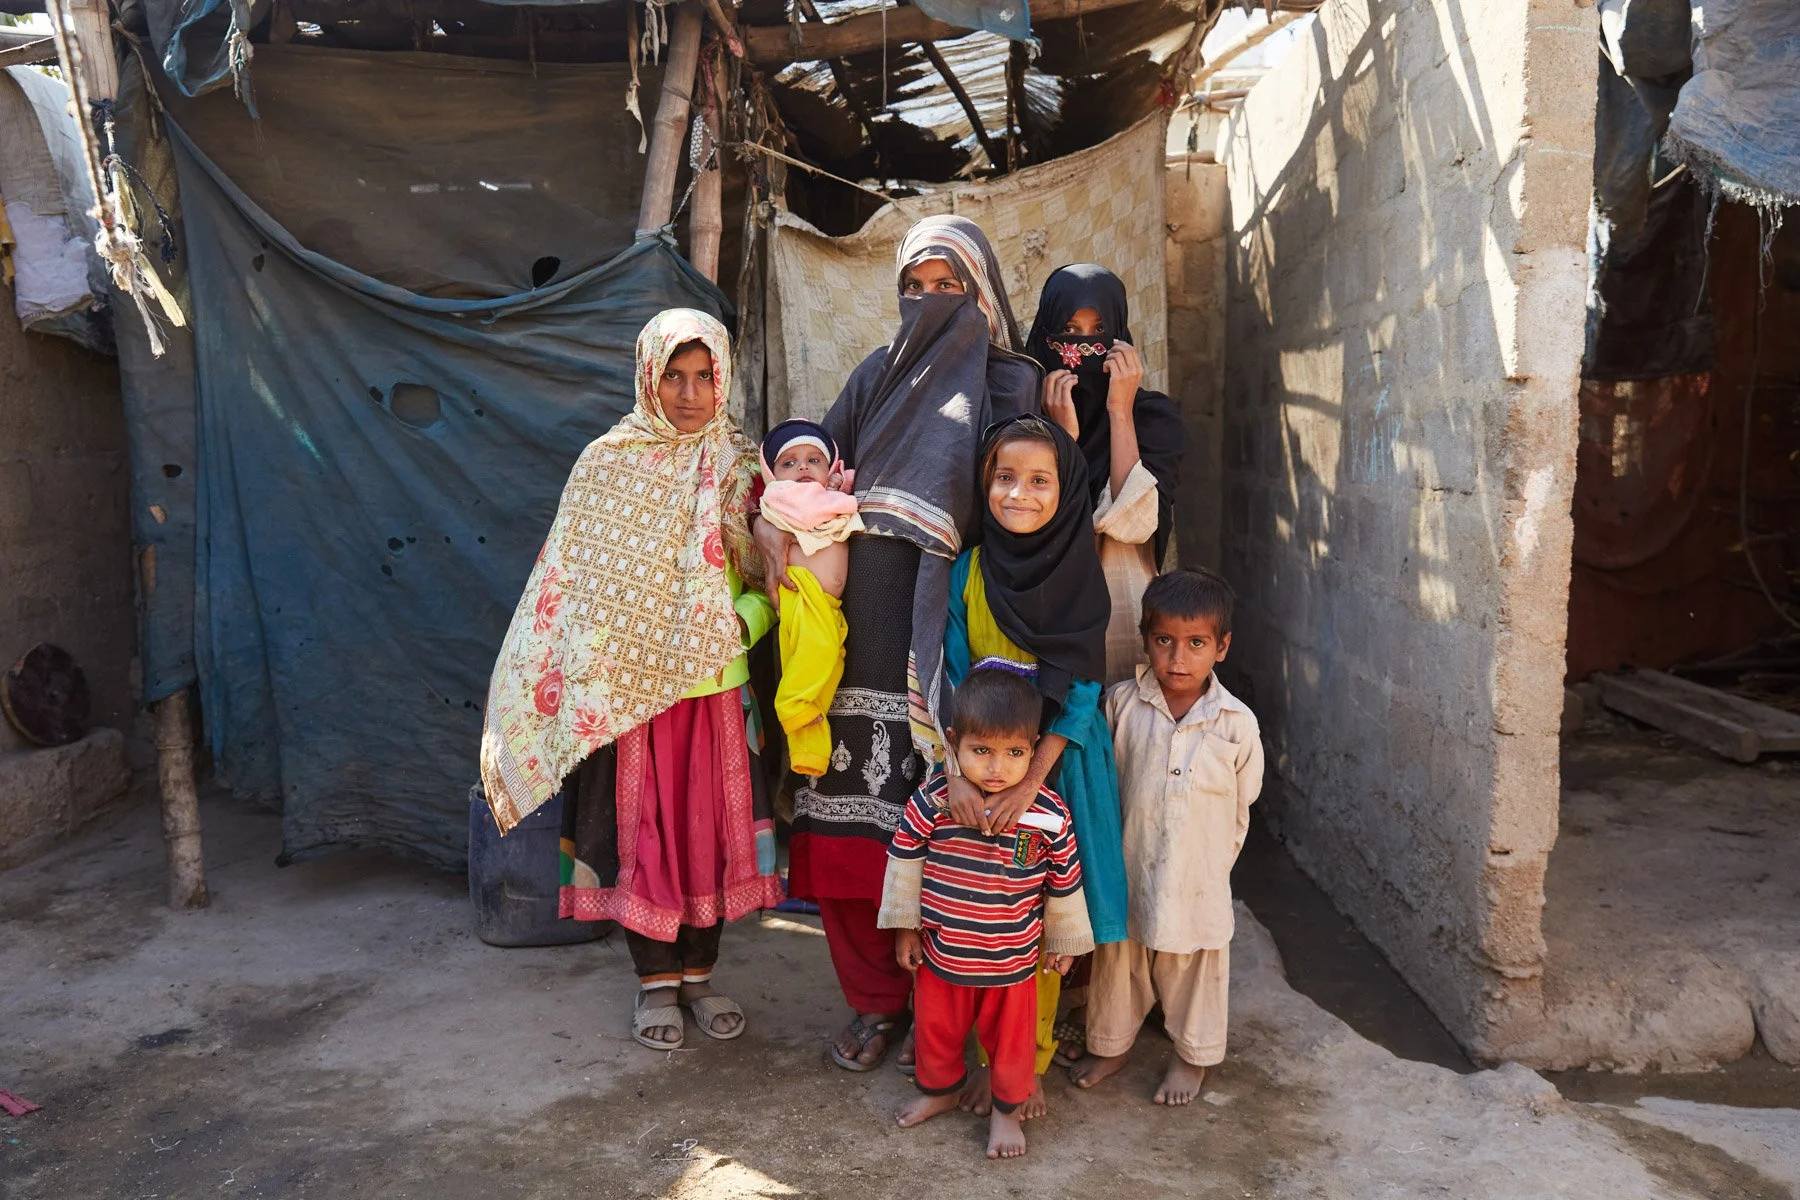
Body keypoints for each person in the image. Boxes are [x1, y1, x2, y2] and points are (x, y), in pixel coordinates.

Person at [759, 216, 1040, 1073]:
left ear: (983, 292)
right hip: (848, 637)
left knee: (953, 829)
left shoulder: (1009, 384)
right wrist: (772, 533)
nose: (928, 301)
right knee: (848, 836)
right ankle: (876, 1005)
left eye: (947, 284)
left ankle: (950, 1008)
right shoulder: (874, 376)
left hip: (949, 631)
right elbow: (802, 473)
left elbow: (1033, 505)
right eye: (914, 285)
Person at [480, 308, 783, 1053]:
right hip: (633, 696)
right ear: (648, 378)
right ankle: (655, 982)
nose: (688, 394)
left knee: (708, 833)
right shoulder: (607, 463)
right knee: (644, 831)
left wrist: (738, 623)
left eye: (703, 377)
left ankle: (702, 973)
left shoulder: (744, 466)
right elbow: (574, 587)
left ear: (723, 381)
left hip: (716, 688)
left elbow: (777, 581)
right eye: (673, 377)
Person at [941, 414, 1126, 1118]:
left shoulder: (1079, 575)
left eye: (1040, 480)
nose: (1018, 493)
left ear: (1067, 489)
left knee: (1041, 920)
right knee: (980, 910)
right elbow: (953, 673)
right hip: (978, 765)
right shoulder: (971, 571)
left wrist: (1031, 776)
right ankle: (971, 1045)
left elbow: (1081, 688)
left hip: (1058, 768)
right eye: (1004, 477)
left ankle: (1026, 1059)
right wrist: (965, 771)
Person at [879, 667, 1094, 1160]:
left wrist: (1064, 944)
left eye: (1015, 753)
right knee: (936, 1033)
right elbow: (904, 865)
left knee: (1012, 1044)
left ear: (1034, 748)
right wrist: (904, 929)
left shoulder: (1049, 813)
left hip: (1013, 962)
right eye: (982, 751)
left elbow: (1064, 883)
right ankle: (942, 1092)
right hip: (942, 955)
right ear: (954, 743)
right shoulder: (933, 803)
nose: (998, 768)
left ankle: (1006, 1115)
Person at [1070, 569, 1264, 1104]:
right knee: (1120, 961)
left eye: (1197, 643)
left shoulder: (1235, 723)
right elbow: (1102, 783)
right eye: (1165, 641)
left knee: (1194, 967)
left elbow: (1243, 801)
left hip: (1198, 875)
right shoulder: (1121, 705)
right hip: (1128, 862)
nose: (1179, 659)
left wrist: (1211, 865)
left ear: (1221, 647)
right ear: (1145, 638)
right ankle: (1111, 1044)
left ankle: (1192, 1057)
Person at [1024, 263, 1186, 687]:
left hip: (1120, 612)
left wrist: (1120, 411)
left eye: (1097, 330)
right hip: (1039, 606)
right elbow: (1033, 521)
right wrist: (1062, 440)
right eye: (1069, 329)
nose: (1082, 345)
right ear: (1046, 334)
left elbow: (1133, 523)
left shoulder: (1154, 419)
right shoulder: (1020, 416)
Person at [758, 418, 861, 778]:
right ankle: (790, 704)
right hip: (802, 593)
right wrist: (836, 490)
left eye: (814, 460)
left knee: (827, 673)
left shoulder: (822, 494)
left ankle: (809, 754)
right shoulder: (785, 497)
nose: (802, 467)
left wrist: (834, 486)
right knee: (820, 657)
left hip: (825, 605)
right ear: (772, 474)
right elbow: (815, 508)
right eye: (789, 463)